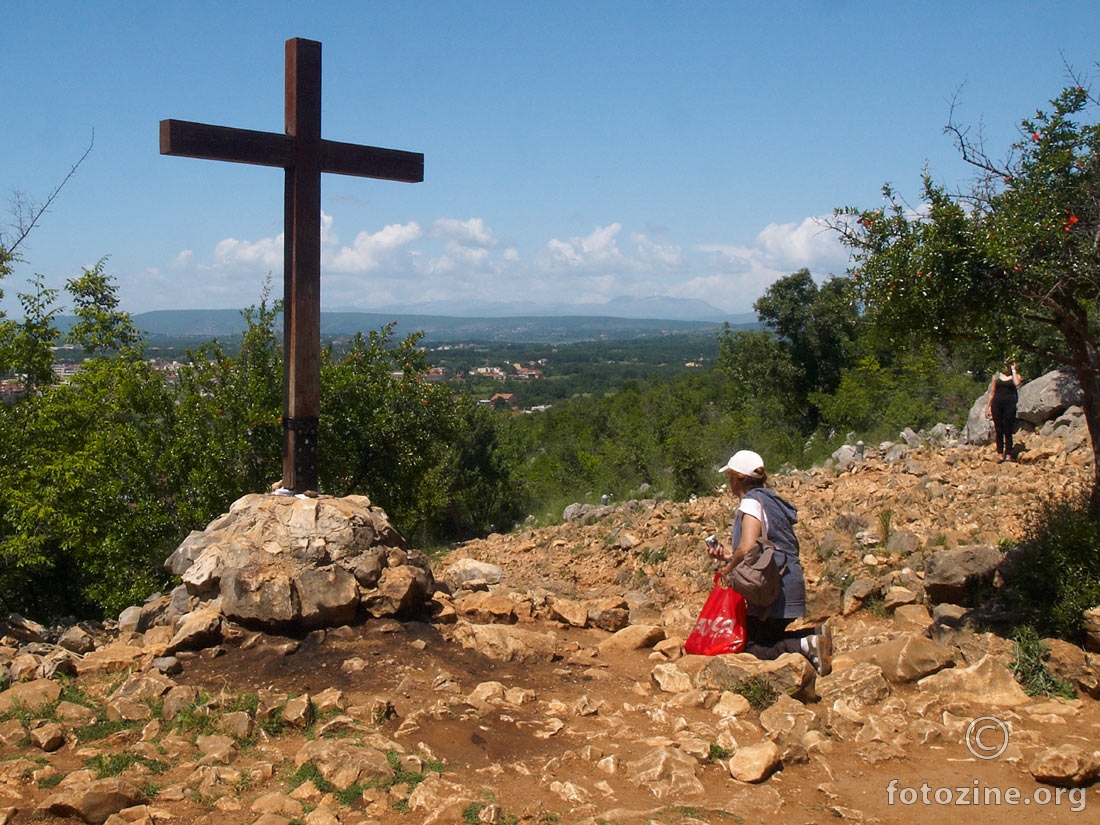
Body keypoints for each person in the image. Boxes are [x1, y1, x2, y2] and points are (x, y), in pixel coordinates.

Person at [705, 449, 831, 675]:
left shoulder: (750, 503)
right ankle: (814, 636)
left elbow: (747, 547)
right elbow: (764, 547)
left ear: (736, 478)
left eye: (730, 477)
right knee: (766, 634)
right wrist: (727, 555)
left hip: (773, 588)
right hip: (789, 579)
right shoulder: (770, 501)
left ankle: (803, 645)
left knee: (751, 646)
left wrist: (728, 568)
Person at [985, 361, 1023, 462]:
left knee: (1008, 429)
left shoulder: (1016, 376)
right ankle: (1000, 453)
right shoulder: (996, 376)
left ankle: (1009, 453)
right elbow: (992, 392)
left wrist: (1014, 370)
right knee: (999, 429)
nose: (1007, 366)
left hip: (1010, 404)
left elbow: (1017, 383)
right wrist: (988, 407)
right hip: (997, 404)